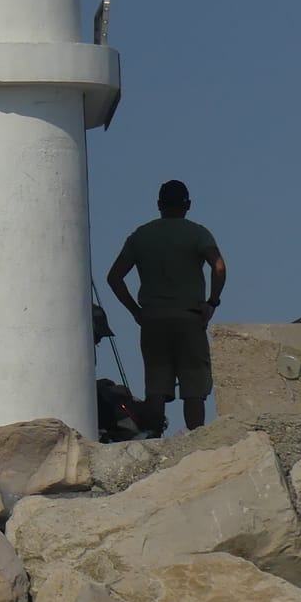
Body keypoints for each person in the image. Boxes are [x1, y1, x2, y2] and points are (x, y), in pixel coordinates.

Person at [106, 180, 226, 432]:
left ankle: (154, 439)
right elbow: (218, 266)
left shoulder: (141, 235)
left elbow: (114, 277)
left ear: (159, 204)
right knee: (194, 388)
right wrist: (212, 302)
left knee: (156, 388)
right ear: (188, 205)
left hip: (153, 320)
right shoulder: (197, 233)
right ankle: (196, 439)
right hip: (189, 318)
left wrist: (136, 311)